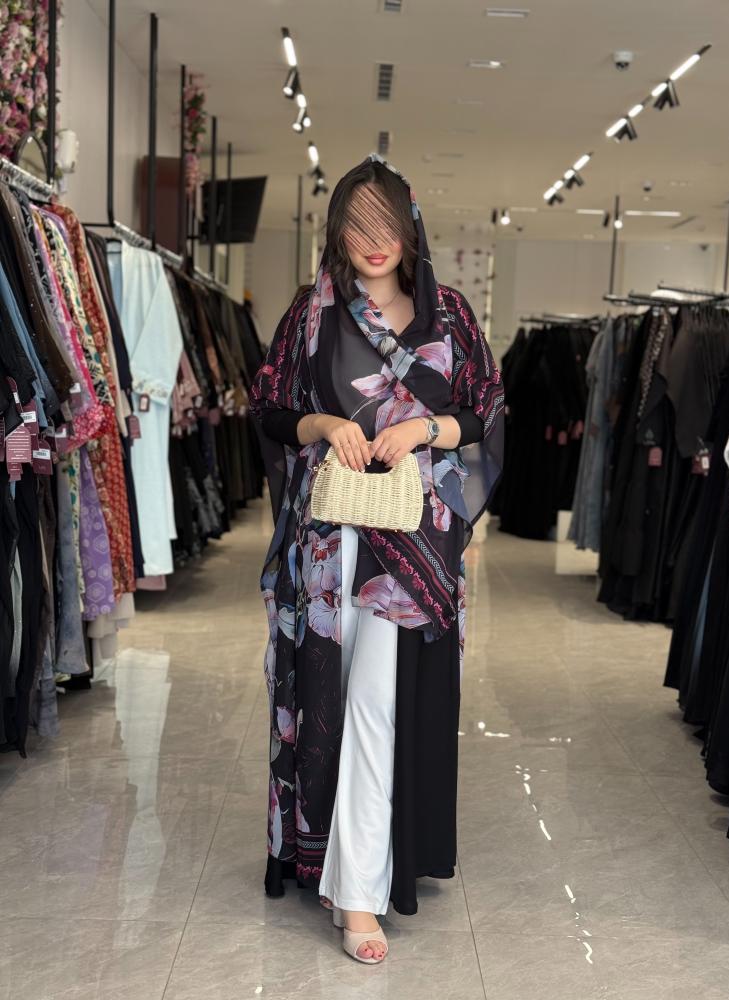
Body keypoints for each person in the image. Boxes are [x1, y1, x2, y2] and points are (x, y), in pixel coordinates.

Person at [249, 154, 504, 965]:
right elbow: (270, 411)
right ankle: (335, 868)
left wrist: (422, 429)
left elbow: (485, 413)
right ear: (336, 231)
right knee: (327, 702)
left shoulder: (449, 316)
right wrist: (327, 426)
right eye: (357, 223)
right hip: (331, 544)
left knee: (376, 705)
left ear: (410, 227)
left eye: (386, 222)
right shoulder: (313, 313)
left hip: (413, 547)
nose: (373, 238)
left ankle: (358, 892)